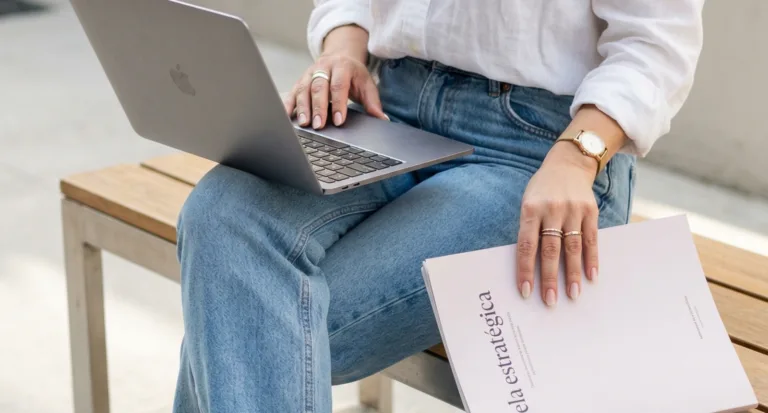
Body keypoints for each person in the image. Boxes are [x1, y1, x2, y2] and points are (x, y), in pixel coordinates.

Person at [172, 0, 704, 411]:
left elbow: (656, 47)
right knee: (220, 211)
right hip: (389, 111)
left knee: (244, 315)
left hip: (542, 151)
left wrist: (577, 157)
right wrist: (343, 50)